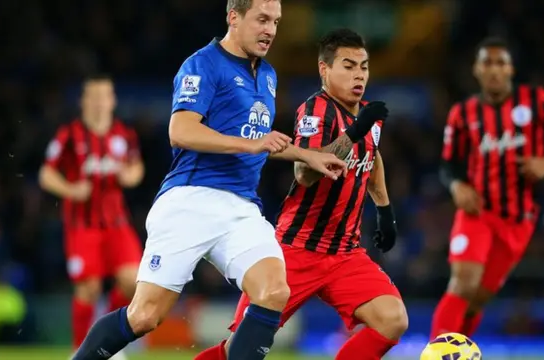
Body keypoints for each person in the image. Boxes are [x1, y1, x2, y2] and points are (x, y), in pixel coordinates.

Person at [70, 1, 347, 359]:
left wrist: (309, 155)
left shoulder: (268, 75)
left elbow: (259, 139)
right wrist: (252, 144)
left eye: (276, 22)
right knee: (145, 316)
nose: (271, 30)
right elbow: (181, 131)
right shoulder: (203, 64)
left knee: (275, 291)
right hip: (191, 199)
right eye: (262, 20)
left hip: (242, 207)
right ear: (234, 17)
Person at [194, 28, 408, 360]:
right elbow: (305, 172)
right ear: (325, 70)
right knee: (241, 350)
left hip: (344, 254)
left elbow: (372, 155)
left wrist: (384, 210)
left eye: (363, 67)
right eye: (348, 66)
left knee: (393, 319)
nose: (359, 75)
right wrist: (355, 130)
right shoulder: (315, 110)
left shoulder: (367, 116)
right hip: (296, 250)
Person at [432, 36, 544, 338]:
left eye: (500, 62)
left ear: (511, 69)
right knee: (463, 284)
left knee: (477, 300)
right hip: (477, 210)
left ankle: (458, 352)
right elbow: (447, 164)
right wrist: (455, 186)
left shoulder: (537, 101)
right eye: (486, 63)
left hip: (517, 220)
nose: (493, 69)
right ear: (476, 70)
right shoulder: (462, 114)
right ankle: (437, 354)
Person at [39, 74, 144, 360]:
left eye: (105, 96)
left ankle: (108, 343)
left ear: (113, 100)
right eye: (93, 96)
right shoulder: (68, 135)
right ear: (83, 101)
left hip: (117, 224)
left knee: (133, 282)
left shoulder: (124, 135)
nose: (99, 102)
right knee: (89, 287)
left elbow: (137, 169)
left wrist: (128, 176)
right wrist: (71, 189)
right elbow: (46, 174)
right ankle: (80, 349)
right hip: (82, 226)